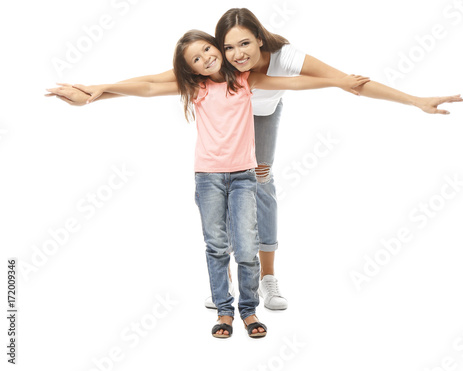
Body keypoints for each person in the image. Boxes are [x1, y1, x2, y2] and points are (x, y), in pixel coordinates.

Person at [46, 9, 463, 310]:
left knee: (263, 184)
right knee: (227, 201)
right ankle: (226, 288)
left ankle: (267, 277)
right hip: (228, 131)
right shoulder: (216, 71)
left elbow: (346, 83)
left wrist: (414, 101)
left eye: (244, 43)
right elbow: (154, 82)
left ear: (260, 39)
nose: (235, 53)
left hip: (263, 115)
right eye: (227, 47)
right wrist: (95, 90)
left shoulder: (284, 59)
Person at [60, 29, 369, 338]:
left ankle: (249, 311)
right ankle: (224, 311)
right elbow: (147, 86)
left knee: (247, 248)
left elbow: (294, 83)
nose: (205, 58)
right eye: (196, 58)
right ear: (191, 69)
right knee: (217, 246)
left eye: (207, 49)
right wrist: (96, 92)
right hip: (208, 178)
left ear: (218, 47)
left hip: (244, 177)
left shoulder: (246, 80)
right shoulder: (197, 88)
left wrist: (337, 81)